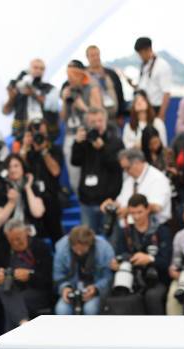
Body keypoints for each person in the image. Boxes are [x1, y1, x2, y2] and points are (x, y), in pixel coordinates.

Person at [110, 194, 172, 315]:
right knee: (121, 294)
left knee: (152, 297)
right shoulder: (125, 232)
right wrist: (118, 263)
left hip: (157, 278)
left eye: (140, 212)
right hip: (132, 278)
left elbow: (166, 262)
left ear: (148, 209)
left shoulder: (161, 230)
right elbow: (119, 255)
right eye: (133, 213)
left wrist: (149, 259)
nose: (136, 216)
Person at [71, 107, 124, 234]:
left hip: (108, 201)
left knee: (111, 238)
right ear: (87, 124)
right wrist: (77, 143)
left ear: (106, 121)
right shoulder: (84, 142)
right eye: (93, 122)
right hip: (87, 201)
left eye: (100, 121)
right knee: (87, 239)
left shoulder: (115, 142)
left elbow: (117, 166)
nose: (97, 125)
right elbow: (75, 161)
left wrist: (102, 148)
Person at [0, 219, 52, 331]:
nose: (15, 243)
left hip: (37, 292)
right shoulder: (2, 250)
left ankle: (16, 335)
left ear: (26, 232)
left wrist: (30, 276)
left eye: (18, 239)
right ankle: (24, 324)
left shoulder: (40, 247)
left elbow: (48, 280)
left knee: (12, 302)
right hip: (12, 290)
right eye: (11, 240)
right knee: (4, 290)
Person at [16, 120, 64, 242]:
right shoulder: (27, 151)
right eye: (34, 133)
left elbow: (55, 171)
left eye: (41, 132)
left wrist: (44, 151)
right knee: (34, 237)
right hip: (31, 199)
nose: (38, 136)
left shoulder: (54, 149)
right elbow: (17, 170)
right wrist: (25, 147)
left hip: (51, 198)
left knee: (56, 235)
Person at [60, 59, 103, 193]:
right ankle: (81, 199)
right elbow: (63, 118)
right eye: (68, 74)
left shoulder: (91, 86)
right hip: (71, 134)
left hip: (87, 134)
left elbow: (99, 114)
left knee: (92, 172)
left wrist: (82, 106)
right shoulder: (66, 87)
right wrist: (64, 101)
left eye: (73, 74)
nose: (70, 78)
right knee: (74, 175)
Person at [101, 148, 172, 228]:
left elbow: (156, 207)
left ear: (137, 163)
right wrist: (111, 205)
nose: (125, 172)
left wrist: (128, 210)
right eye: (123, 169)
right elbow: (121, 202)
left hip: (156, 229)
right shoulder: (129, 180)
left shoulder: (157, 179)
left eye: (127, 168)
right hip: (132, 229)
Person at [53, 226, 114, 315]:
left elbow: (108, 277)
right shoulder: (61, 248)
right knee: (61, 309)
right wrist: (64, 288)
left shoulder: (105, 249)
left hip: (95, 290)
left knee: (90, 309)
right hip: (72, 290)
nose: (79, 253)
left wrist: (96, 289)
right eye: (76, 249)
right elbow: (58, 275)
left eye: (82, 249)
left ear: (90, 243)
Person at [0, 154, 45, 243]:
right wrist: (11, 203)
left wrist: (28, 188)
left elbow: (38, 213)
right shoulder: (0, 190)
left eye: (16, 166)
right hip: (7, 237)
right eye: (9, 167)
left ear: (23, 167)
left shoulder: (32, 187)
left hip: (30, 234)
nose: (12, 170)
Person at [2, 58, 60, 139]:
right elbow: (5, 111)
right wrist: (11, 97)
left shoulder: (50, 88)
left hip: (44, 135)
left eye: (42, 69)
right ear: (29, 69)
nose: (38, 71)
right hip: (21, 134)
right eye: (35, 67)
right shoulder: (19, 86)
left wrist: (33, 93)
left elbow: (53, 107)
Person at [131, 37, 172, 120]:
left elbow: (166, 93)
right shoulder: (144, 65)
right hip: (143, 108)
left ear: (149, 49)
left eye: (141, 53)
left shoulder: (162, 65)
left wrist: (161, 115)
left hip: (155, 108)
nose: (140, 56)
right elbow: (144, 87)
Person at [86, 45, 124, 123]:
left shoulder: (111, 73)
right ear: (87, 57)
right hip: (95, 120)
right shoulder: (85, 76)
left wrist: (121, 114)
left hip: (113, 117)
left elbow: (120, 93)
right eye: (93, 55)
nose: (96, 58)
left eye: (97, 55)